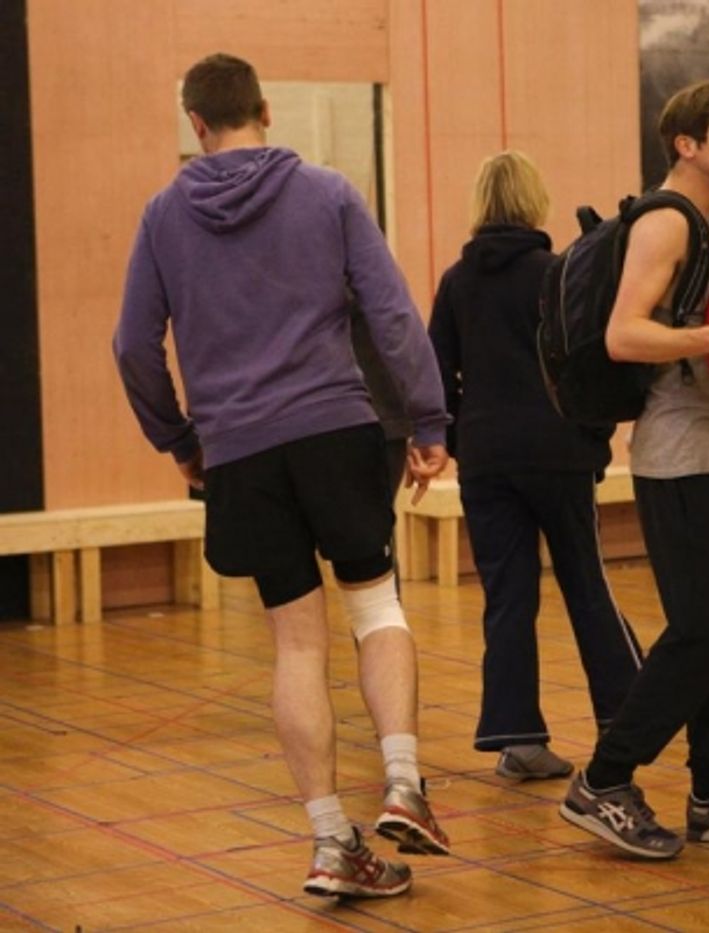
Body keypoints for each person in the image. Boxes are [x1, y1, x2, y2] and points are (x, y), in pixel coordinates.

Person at [113, 53, 451, 899]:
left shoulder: (162, 216)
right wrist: (429, 418)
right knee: (376, 605)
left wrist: (180, 439)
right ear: (265, 108)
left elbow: (132, 347)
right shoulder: (329, 192)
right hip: (336, 430)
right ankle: (405, 782)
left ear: (195, 123)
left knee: (296, 641)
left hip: (238, 451)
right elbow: (392, 313)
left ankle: (335, 841)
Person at [557, 80, 709, 859]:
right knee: (702, 629)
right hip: (678, 454)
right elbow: (622, 336)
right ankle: (603, 777)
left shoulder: (707, 220)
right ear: (685, 144)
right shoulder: (667, 220)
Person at [428, 151, 643, 782]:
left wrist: (460, 437)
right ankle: (626, 716)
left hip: (487, 461)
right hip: (558, 454)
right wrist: (592, 436)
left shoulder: (456, 283)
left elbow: (436, 373)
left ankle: (516, 737)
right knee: (586, 583)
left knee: (508, 596)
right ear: (532, 202)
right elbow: (589, 362)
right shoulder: (557, 274)